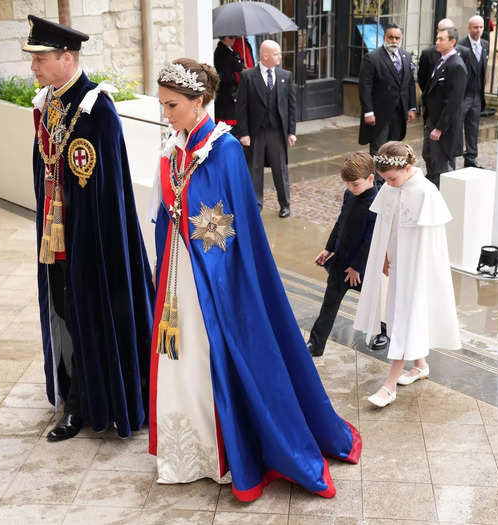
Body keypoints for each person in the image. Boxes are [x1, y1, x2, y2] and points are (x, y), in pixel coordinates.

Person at [150, 59, 361, 501]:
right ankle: (189, 449)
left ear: (198, 101)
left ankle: (228, 450)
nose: (165, 113)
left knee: (212, 356)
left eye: (172, 105)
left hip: (215, 281)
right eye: (163, 104)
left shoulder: (224, 151)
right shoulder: (174, 147)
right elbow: (164, 212)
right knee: (181, 358)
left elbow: (235, 230)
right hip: (178, 274)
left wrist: (214, 275)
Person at [23, 15, 155, 441]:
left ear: (67, 56)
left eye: (40, 58)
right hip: (56, 237)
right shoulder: (48, 103)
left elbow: (108, 190)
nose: (33, 68)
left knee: (87, 316)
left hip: (92, 241)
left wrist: (87, 242)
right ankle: (72, 398)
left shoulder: (95, 109)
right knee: (62, 315)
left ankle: (91, 400)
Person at [354, 142, 461, 408]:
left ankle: (389, 385)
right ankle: (420, 365)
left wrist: (420, 272)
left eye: (391, 178)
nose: (388, 184)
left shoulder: (426, 192)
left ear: (408, 168)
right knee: (398, 316)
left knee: (404, 318)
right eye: (384, 180)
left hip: (417, 269)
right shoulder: (392, 188)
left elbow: (432, 244)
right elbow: (386, 226)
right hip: (399, 266)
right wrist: (386, 255)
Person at [307, 152, 379, 357]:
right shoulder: (350, 195)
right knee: (329, 303)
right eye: (347, 184)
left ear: (371, 179)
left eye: (355, 184)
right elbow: (340, 223)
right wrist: (328, 249)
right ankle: (316, 343)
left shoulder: (377, 202)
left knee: (378, 302)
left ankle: (386, 333)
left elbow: (370, 238)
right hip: (341, 262)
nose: (350, 188)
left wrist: (357, 267)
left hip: (361, 267)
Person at [236, 40, 297, 218]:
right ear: (265, 56)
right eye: (276, 53)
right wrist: (243, 133)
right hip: (255, 133)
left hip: (277, 132)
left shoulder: (286, 75)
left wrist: (291, 132)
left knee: (280, 170)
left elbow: (291, 106)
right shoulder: (248, 76)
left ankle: (285, 204)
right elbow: (241, 108)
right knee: (254, 170)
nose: (280, 56)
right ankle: (256, 204)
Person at [358, 24, 417, 169]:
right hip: (379, 114)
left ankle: (391, 178)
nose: (394, 41)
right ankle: (377, 183)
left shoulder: (406, 56)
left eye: (397, 38)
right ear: (385, 38)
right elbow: (365, 86)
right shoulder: (372, 58)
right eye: (391, 37)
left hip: (399, 113)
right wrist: (368, 112)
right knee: (379, 150)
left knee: (394, 149)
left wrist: (412, 107)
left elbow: (410, 83)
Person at [421, 26, 467, 188]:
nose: (437, 42)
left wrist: (439, 128)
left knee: (441, 165)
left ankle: (440, 198)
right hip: (432, 120)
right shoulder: (441, 61)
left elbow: (453, 102)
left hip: (443, 127)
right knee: (429, 157)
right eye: (437, 38)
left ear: (452, 42)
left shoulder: (457, 66)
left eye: (441, 39)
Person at [459, 16, 489, 169]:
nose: (478, 30)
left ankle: (471, 157)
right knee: (457, 126)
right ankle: (452, 155)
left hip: (477, 94)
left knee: (473, 127)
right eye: (475, 27)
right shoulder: (461, 46)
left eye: (481, 27)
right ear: (469, 28)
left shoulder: (485, 45)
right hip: (464, 95)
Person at [214, 35, 244, 127]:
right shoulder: (221, 52)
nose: (234, 39)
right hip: (227, 94)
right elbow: (226, 76)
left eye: (234, 37)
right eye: (231, 37)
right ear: (223, 38)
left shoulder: (230, 50)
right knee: (228, 127)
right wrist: (242, 75)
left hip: (234, 92)